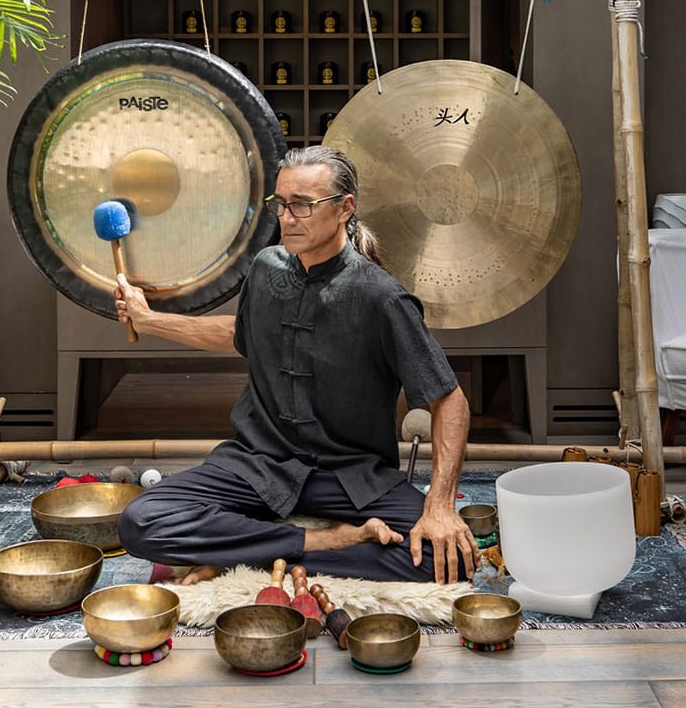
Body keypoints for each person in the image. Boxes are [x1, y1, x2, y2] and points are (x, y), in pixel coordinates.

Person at [114, 145, 478, 585]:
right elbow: (239, 334)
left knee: (450, 560)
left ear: (345, 209)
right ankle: (317, 544)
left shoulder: (380, 297)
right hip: (257, 464)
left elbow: (450, 400)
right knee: (142, 520)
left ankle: (251, 554)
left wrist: (439, 506)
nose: (287, 218)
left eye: (303, 205)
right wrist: (148, 319)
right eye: (281, 204)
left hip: (351, 476)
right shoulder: (266, 269)